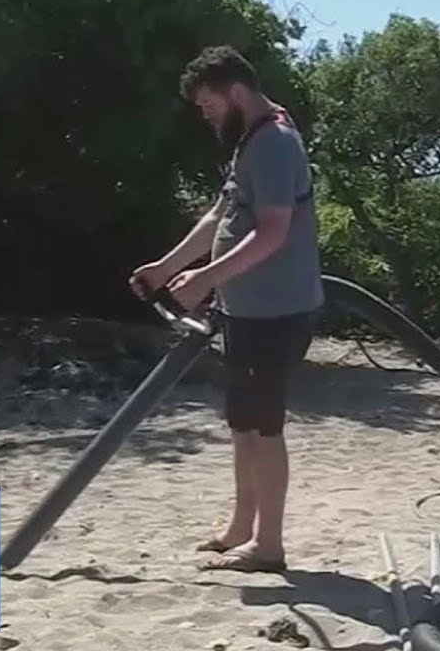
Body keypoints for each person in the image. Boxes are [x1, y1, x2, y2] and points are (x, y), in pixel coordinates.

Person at [129, 45, 324, 572]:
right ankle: (241, 527)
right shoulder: (251, 142)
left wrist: (207, 279)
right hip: (244, 310)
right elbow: (221, 215)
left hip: (276, 310)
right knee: (243, 424)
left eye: (208, 103)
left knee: (264, 427)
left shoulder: (277, 144)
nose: (205, 114)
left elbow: (274, 232)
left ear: (235, 91)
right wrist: (166, 268)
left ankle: (270, 546)